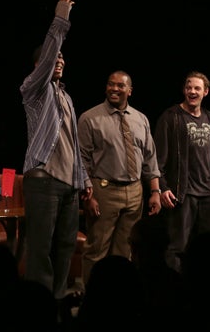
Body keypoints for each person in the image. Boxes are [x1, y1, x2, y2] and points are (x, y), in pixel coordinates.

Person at [19, 0, 92, 300]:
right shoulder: (34, 90)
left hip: (68, 183)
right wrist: (61, 16)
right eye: (54, 59)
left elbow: (73, 145)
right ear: (41, 65)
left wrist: (84, 179)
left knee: (64, 247)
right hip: (43, 178)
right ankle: (38, 306)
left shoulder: (66, 97)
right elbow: (49, 54)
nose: (59, 61)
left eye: (62, 58)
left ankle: (58, 302)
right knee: (41, 248)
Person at [154, 71, 210, 273]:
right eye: (189, 87)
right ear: (184, 90)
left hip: (209, 193)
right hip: (183, 193)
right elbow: (157, 159)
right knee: (178, 246)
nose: (192, 91)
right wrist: (162, 187)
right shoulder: (171, 117)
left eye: (197, 88)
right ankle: (175, 289)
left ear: (206, 92)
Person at [77, 70, 162, 286]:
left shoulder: (140, 119)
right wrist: (88, 196)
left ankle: (120, 298)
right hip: (104, 190)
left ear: (129, 91)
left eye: (120, 86)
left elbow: (150, 158)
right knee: (97, 249)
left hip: (135, 192)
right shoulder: (90, 118)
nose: (114, 88)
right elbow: (81, 161)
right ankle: (93, 299)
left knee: (126, 249)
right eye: (110, 84)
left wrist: (155, 191)